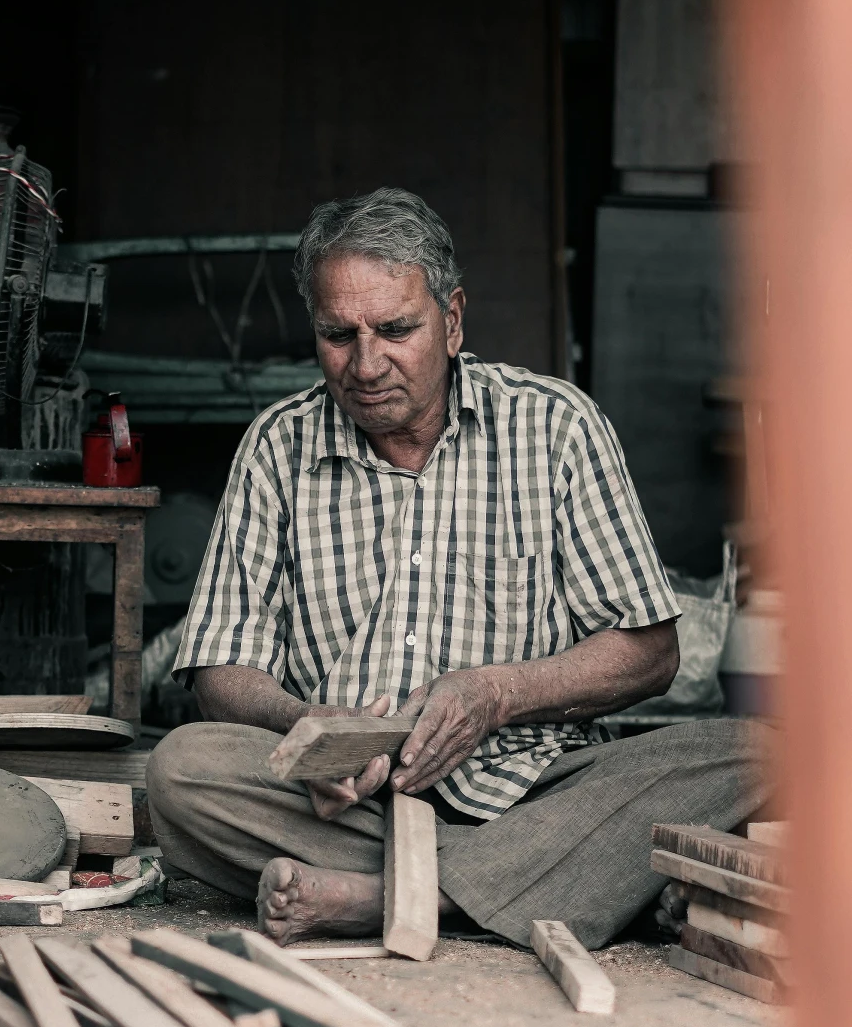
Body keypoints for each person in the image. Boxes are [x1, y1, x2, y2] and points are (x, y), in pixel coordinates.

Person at [148, 187, 769, 949]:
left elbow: (649, 652)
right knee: (181, 771)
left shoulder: (554, 425)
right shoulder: (278, 445)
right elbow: (218, 666)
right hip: (346, 802)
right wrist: (305, 724)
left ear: (452, 319)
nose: (366, 363)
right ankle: (560, 885)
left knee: (755, 750)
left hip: (535, 789)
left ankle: (398, 897)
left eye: (397, 329)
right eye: (338, 334)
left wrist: (498, 692)